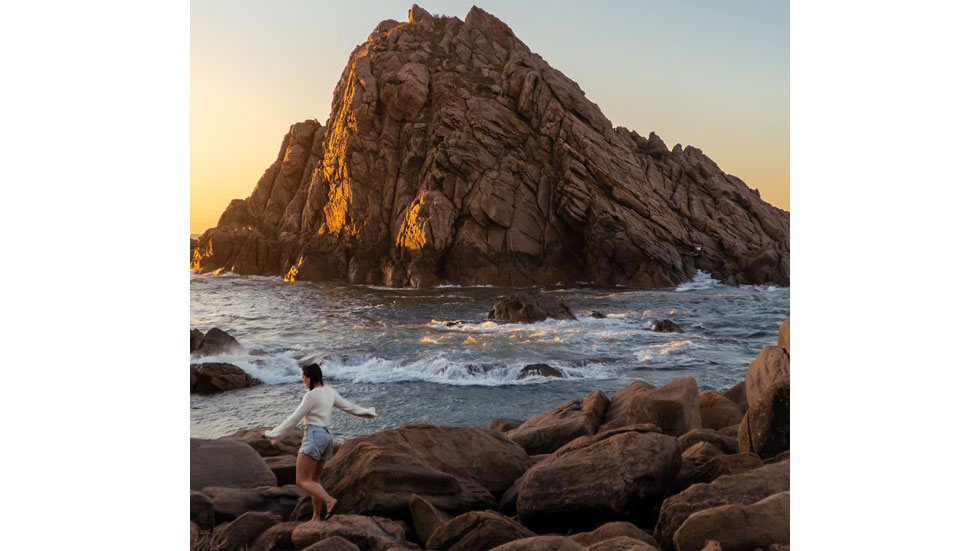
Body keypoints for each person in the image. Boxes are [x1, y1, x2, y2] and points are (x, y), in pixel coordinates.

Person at [262, 363, 378, 522]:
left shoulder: (310, 396)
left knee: (301, 480)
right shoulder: (330, 392)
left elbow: (293, 419)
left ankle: (330, 501)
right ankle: (316, 517)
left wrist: (271, 433)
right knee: (314, 480)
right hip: (327, 437)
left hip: (314, 435)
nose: (303, 381)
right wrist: (369, 413)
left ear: (309, 378)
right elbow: (350, 407)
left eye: (303, 378)